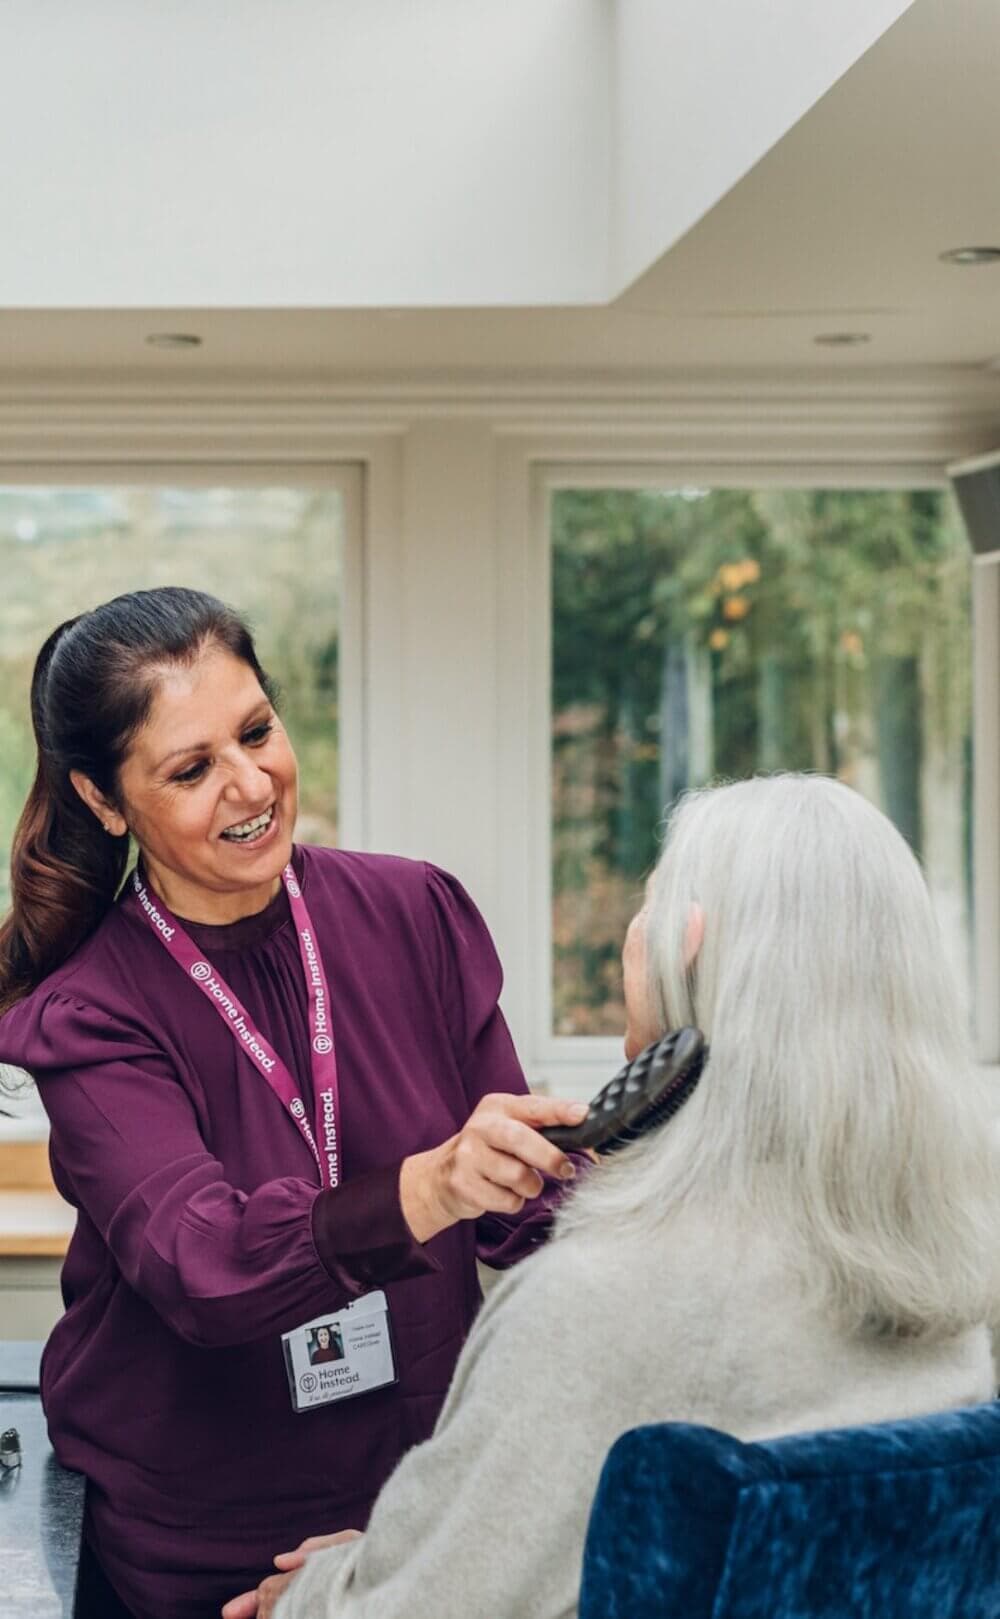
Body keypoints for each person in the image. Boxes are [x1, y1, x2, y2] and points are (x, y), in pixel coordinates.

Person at [224, 774, 1000, 1619]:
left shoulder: (595, 1305)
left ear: (688, 947)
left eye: (650, 903)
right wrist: (396, 1552)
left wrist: (316, 1592)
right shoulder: (956, 1284)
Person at [0, 587, 589, 1619]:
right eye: (190, 768)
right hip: (203, 1545)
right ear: (102, 799)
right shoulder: (92, 1010)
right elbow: (204, 1265)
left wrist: (598, 1166)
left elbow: (528, 1219)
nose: (249, 783)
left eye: (257, 731)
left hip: (415, 1511)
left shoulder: (415, 910)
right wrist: (428, 1185)